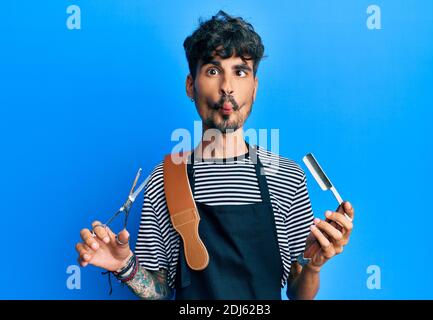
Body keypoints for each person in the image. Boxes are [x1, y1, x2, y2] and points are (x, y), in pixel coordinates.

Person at [75, 10, 354, 300]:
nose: (227, 87)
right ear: (190, 86)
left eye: (240, 71)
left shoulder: (286, 175)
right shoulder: (166, 176)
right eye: (212, 70)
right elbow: (159, 291)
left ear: (255, 87)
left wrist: (314, 267)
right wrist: (124, 266)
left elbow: (299, 293)